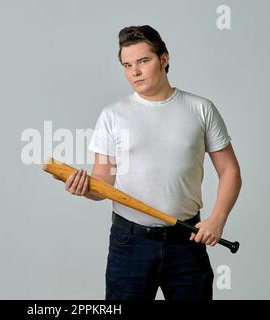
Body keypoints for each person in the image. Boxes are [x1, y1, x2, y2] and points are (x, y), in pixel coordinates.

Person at [58, 25, 242, 300]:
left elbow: (230, 171)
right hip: (129, 242)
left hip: (187, 240)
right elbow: (103, 182)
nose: (135, 72)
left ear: (163, 59)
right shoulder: (113, 115)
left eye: (143, 61)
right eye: (127, 65)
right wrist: (85, 188)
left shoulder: (200, 109)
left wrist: (217, 219)